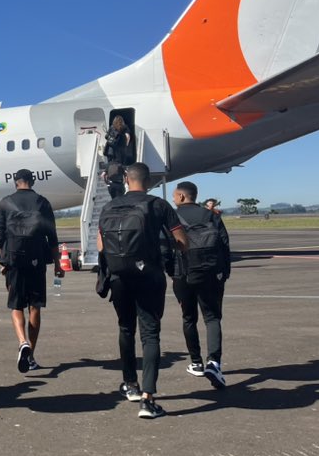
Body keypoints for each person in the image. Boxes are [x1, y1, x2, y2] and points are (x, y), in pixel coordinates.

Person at [97, 162, 188, 419]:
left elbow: (101, 245)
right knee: (150, 333)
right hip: (148, 274)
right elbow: (182, 240)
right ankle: (148, 399)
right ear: (148, 181)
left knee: (126, 328)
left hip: (118, 276)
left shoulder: (109, 206)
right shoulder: (158, 205)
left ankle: (130, 385)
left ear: (126, 179)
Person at [0, 168, 62, 373]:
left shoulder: (5, 203)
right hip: (36, 260)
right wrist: (58, 264)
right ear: (32, 182)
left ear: (16, 182)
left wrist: (4, 260)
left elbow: (0, 237)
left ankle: (22, 341)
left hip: (14, 260)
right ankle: (31, 355)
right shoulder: (43, 203)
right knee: (35, 306)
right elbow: (52, 237)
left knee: (16, 305)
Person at [172, 181, 230, 388]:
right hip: (210, 273)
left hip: (184, 274)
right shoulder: (212, 216)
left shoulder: (173, 216)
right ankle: (214, 362)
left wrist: (172, 273)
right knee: (212, 317)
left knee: (189, 318)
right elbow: (224, 244)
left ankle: (196, 362)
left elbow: (164, 247)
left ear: (181, 197)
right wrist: (224, 273)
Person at [103, 115, 133, 199]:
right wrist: (125, 145)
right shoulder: (124, 127)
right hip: (119, 150)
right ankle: (119, 179)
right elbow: (127, 137)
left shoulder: (112, 127)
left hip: (110, 150)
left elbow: (106, 137)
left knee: (110, 165)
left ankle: (111, 179)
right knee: (119, 165)